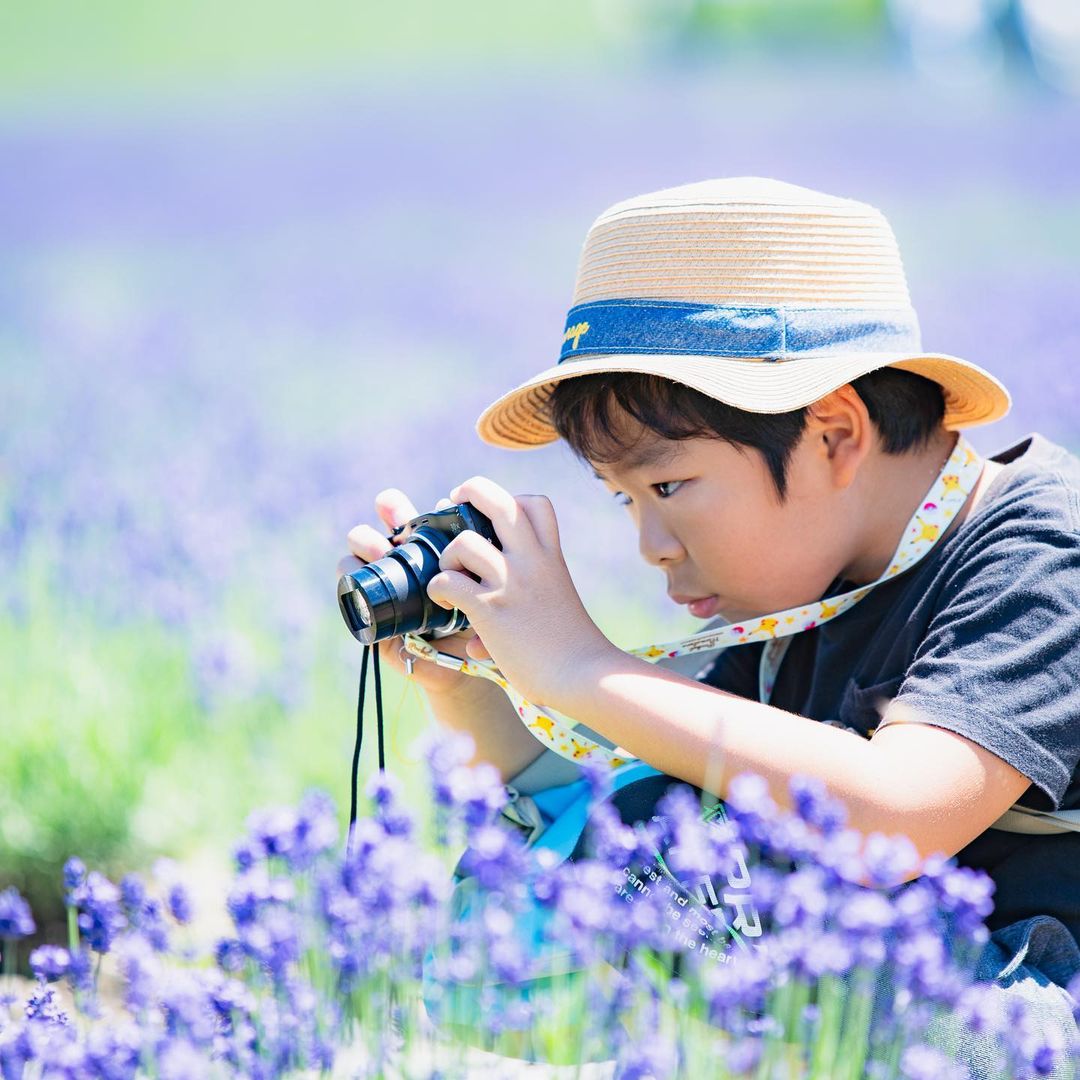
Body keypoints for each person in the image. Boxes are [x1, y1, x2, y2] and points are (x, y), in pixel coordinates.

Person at [339, 177, 1080, 1065]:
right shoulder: (797, 586)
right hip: (866, 985)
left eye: (667, 485)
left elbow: (897, 817)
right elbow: (629, 818)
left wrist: (581, 667)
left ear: (836, 434)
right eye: (621, 499)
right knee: (627, 859)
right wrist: (467, 681)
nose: (651, 544)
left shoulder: (1042, 549)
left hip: (1006, 1014)